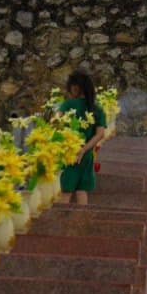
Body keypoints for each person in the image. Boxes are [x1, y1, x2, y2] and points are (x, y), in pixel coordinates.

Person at [57, 70, 109, 205]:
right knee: (82, 190)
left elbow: (56, 125)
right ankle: (82, 217)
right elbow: (100, 134)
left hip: (69, 154)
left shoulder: (68, 105)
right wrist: (84, 149)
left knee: (66, 191)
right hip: (86, 155)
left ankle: (60, 218)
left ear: (75, 87)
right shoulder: (97, 109)